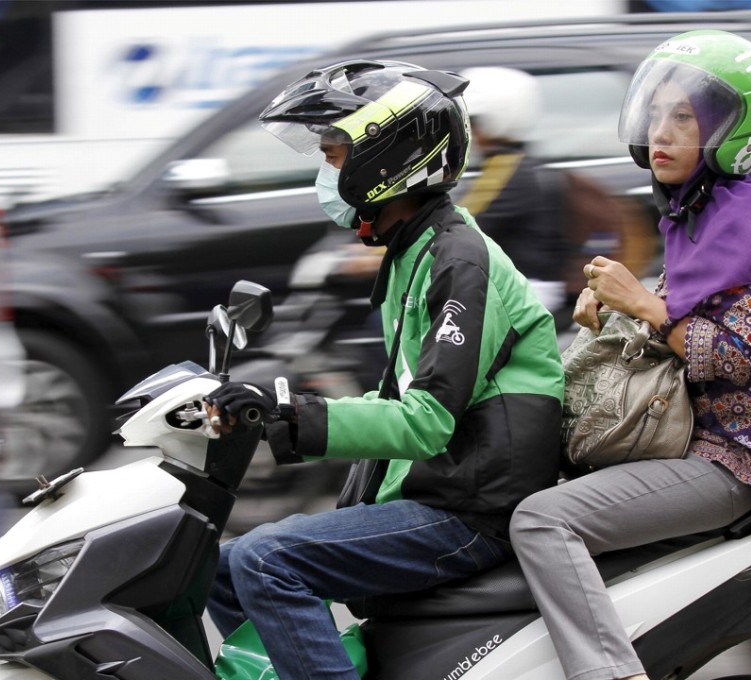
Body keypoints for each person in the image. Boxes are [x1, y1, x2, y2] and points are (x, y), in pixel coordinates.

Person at [204, 59, 564, 680]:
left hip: (472, 511)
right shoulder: (411, 252)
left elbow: (428, 422)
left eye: (336, 154)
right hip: (438, 490)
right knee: (212, 565)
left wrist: (289, 412)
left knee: (265, 559)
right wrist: (271, 412)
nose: (325, 172)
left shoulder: (460, 262)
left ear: (389, 158)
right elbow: (396, 390)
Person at [508, 30, 751, 680]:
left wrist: (644, 305)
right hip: (684, 445)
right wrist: (613, 311)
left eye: (684, 116)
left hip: (728, 459)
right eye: (655, 114)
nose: (662, 130)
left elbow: (736, 356)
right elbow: (673, 327)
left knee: (541, 521)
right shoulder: (699, 218)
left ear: (730, 128)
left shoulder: (746, 224)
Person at [456, 66, 569, 317]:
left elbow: (459, 223)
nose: (468, 131)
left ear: (494, 120)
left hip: (524, 291)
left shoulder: (507, 171)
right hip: (516, 284)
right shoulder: (518, 164)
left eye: (472, 122)